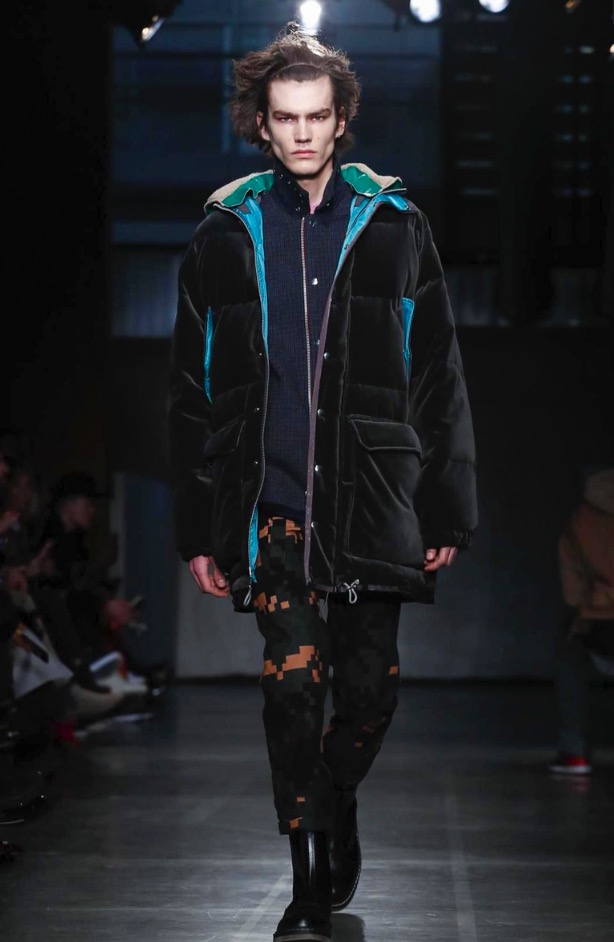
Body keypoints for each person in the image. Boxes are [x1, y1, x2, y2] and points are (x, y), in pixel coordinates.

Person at [169, 25, 477, 942]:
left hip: (370, 504)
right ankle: (306, 877)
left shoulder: (395, 226)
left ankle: (334, 800)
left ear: (341, 121)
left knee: (369, 695)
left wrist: (445, 504)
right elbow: (190, 387)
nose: (301, 133)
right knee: (292, 693)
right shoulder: (225, 232)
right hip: (272, 511)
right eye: (284, 118)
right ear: (261, 125)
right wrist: (198, 524)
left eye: (315, 117)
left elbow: (438, 374)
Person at [549, 468, 614, 776]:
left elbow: (572, 590)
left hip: (601, 621)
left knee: (569, 651)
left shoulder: (582, 520)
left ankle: (575, 753)